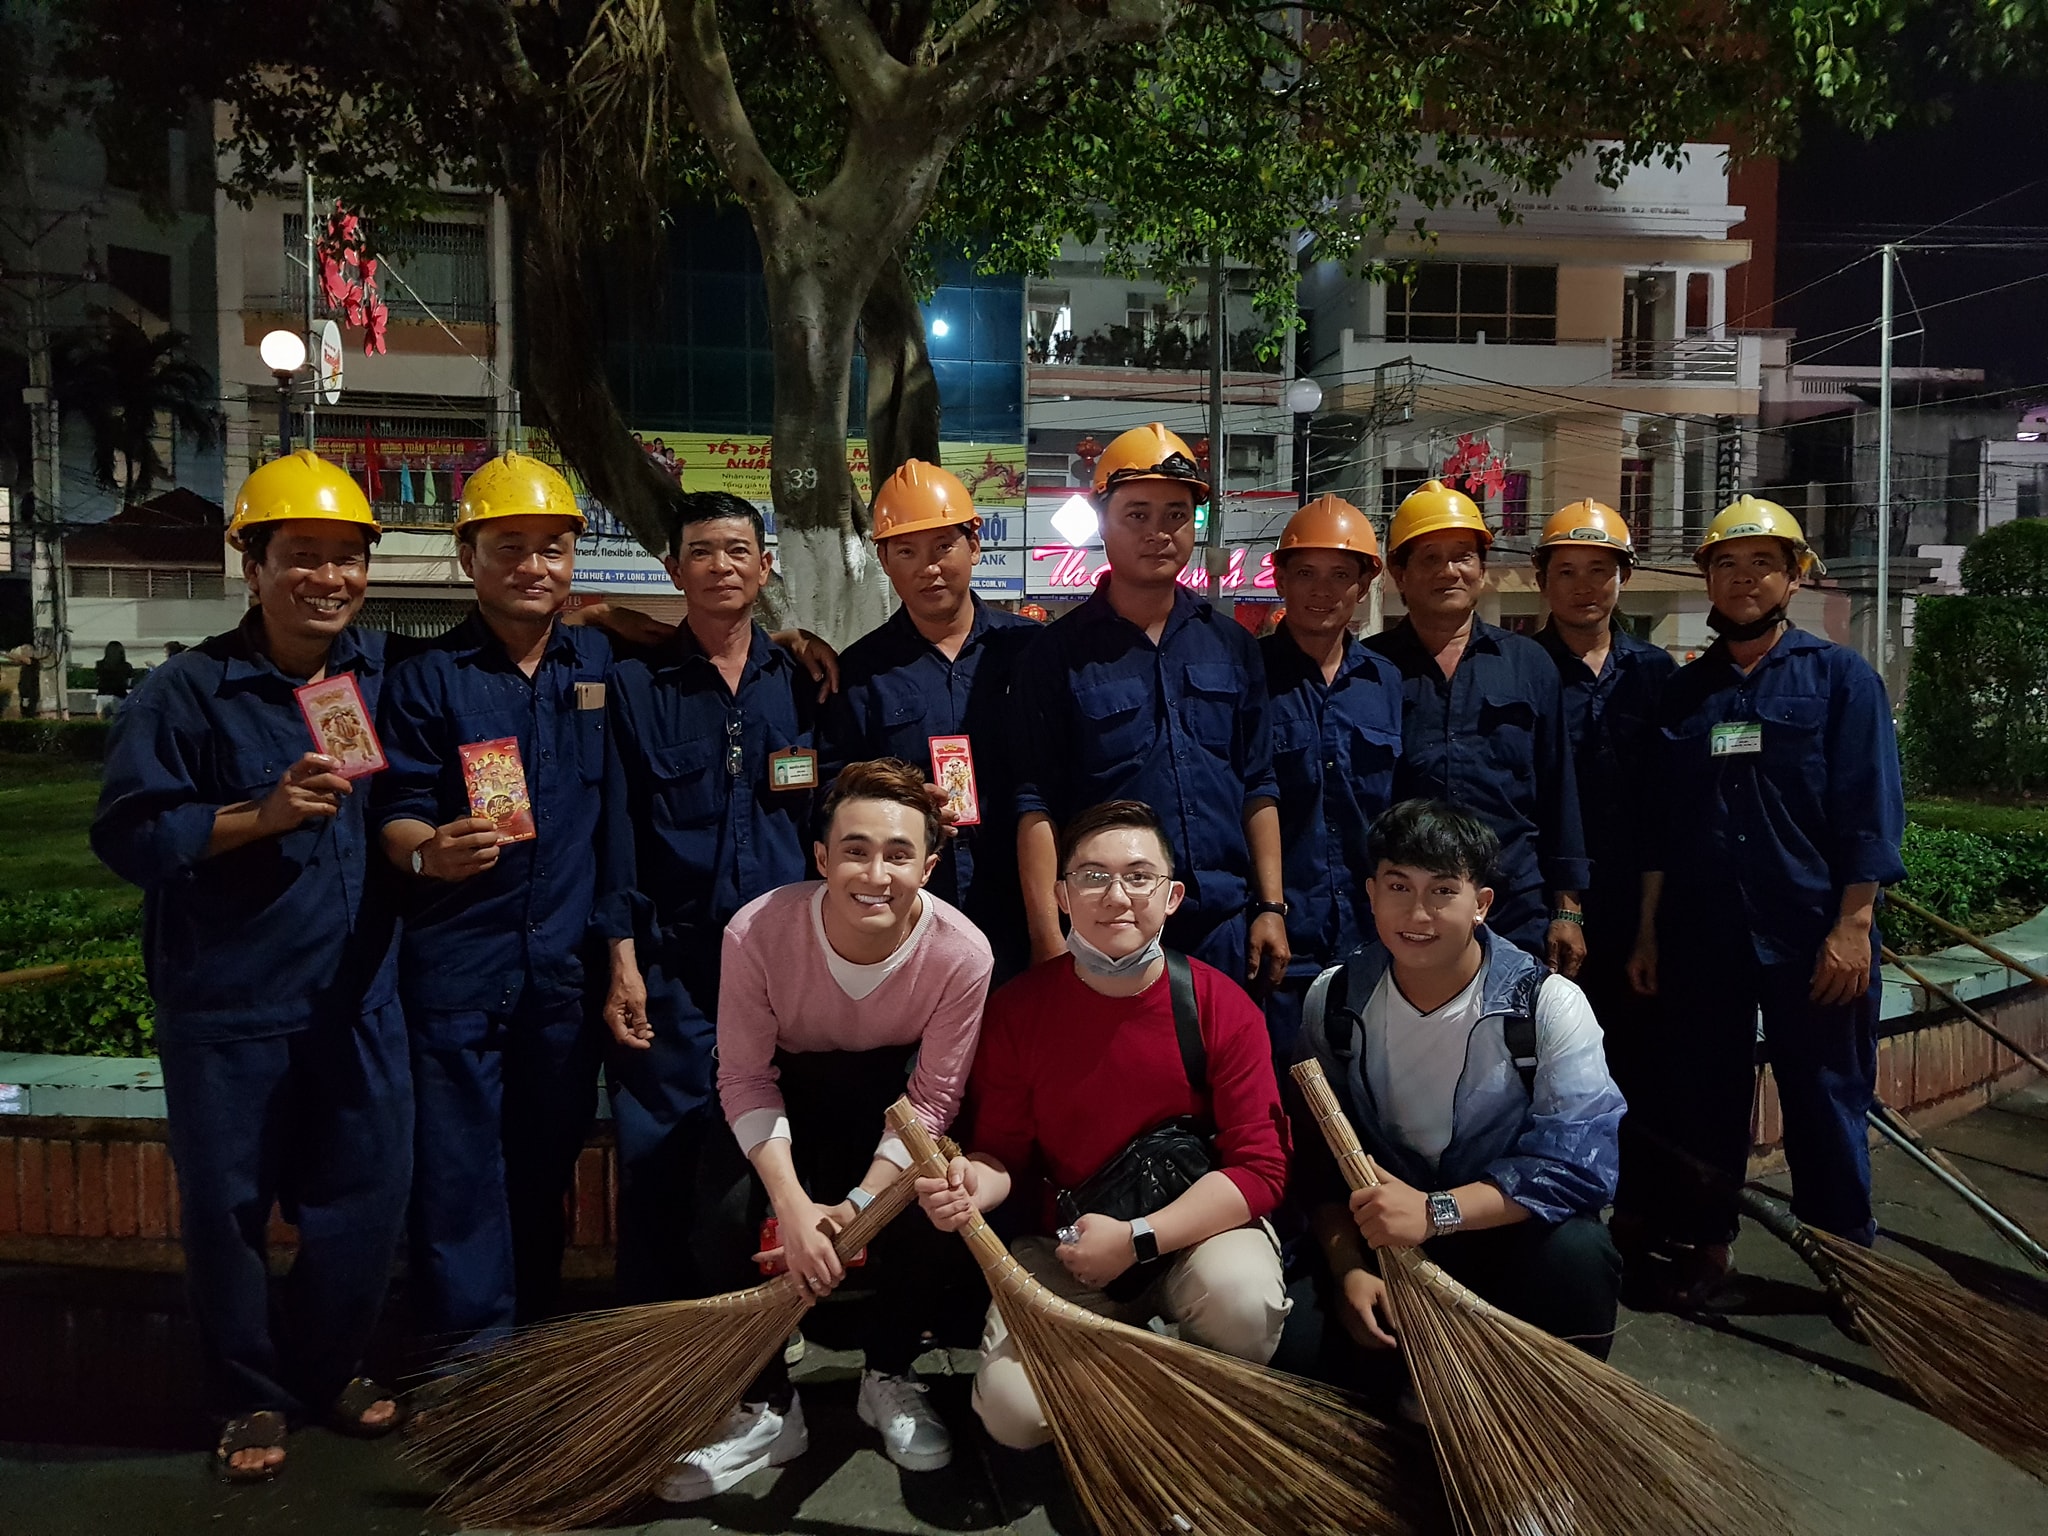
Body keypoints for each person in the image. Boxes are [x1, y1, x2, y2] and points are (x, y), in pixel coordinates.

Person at [90, 451, 409, 1481]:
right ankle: (247, 1395)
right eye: (303, 557)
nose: (329, 578)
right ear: (254, 567)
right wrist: (258, 817)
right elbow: (130, 837)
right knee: (228, 1214)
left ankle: (329, 1366)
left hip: (356, 999)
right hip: (230, 1002)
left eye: (347, 559)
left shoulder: (381, 673)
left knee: (365, 1200)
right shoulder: (186, 694)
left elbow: (511, 645)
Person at [917, 799, 1291, 1451]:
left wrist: (1139, 1238)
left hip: (1191, 1233)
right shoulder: (1018, 1012)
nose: (1117, 897)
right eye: (1093, 877)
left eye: (1139, 877)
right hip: (1066, 1243)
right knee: (1011, 1411)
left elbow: (1261, 1169)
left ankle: (1183, 1412)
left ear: (1172, 897)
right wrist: (970, 1185)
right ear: (1062, 895)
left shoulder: (1220, 1004)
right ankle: (1132, 1389)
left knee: (1241, 1298)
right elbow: (1001, 1154)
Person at [664, 759, 993, 1500]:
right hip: (783, 1093)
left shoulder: (963, 953)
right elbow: (744, 1078)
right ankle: (766, 1407)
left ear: (928, 868)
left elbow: (933, 1100)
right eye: (855, 850)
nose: (875, 874)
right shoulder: (757, 931)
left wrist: (860, 1205)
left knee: (934, 1203)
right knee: (721, 1217)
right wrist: (792, 1206)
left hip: (891, 1104)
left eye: (899, 854)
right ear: (821, 857)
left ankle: (889, 1374)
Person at [1621, 497, 1906, 1307]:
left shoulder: (1840, 679)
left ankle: (1850, 1269)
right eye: (1728, 565)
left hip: (1810, 935)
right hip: (1704, 938)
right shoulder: (1687, 693)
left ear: (1794, 576)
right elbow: (1662, 828)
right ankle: (1708, 1250)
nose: (1744, 579)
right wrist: (1648, 933)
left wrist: (1853, 926)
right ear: (1708, 578)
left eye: (1762, 565)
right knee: (1704, 1099)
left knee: (1826, 1098)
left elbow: (1870, 808)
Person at [370, 452, 610, 1359]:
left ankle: (532, 1350)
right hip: (459, 973)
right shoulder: (428, 677)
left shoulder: (599, 664)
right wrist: (427, 852)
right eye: (510, 547)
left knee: (543, 1170)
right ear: (468, 557)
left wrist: (788, 640)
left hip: (561, 981)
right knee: (458, 1176)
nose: (534, 566)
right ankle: (470, 1362)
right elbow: (394, 809)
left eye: (553, 548)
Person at [1293, 800, 1625, 1401]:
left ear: (1481, 904)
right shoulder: (1335, 1000)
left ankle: (1547, 1413)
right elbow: (1320, 1164)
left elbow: (1578, 1167)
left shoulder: (1547, 1005)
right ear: (1371, 894)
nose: (1417, 913)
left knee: (1579, 1256)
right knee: (1292, 1344)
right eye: (1398, 886)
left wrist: (1436, 1211)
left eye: (1443, 891)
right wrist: (1349, 1269)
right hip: (1387, 1243)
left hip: (1502, 1234)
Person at [597, 490, 822, 1315]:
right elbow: (617, 831)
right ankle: (661, 1338)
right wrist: (622, 960)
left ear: (765, 567)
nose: (721, 566)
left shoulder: (802, 682)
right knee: (660, 1152)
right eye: (701, 552)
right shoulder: (635, 686)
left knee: (770, 1155)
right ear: (673, 569)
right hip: (674, 966)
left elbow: (826, 819)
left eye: (737, 551)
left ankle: (761, 1334)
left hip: (781, 970)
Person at [1012, 423, 1288, 993]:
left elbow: (1258, 783)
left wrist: (1270, 906)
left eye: (1176, 515)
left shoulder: (1232, 645)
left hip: (1222, 923)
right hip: (1108, 922)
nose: (1158, 533)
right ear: (1102, 521)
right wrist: (1046, 935)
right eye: (1137, 514)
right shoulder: (1056, 654)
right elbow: (1035, 803)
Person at [821, 460, 1039, 979]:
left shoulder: (1032, 652)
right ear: (883, 560)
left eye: (943, 546)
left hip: (1025, 901)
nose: (928, 568)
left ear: (974, 545)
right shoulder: (860, 671)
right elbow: (832, 787)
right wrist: (897, 803)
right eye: (906, 552)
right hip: (908, 909)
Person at [1366, 479, 1589, 971]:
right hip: (1408, 908)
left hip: (1514, 902)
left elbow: (1560, 790)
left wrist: (1567, 909)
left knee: (1511, 1018)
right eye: (1429, 559)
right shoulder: (1370, 669)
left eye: (1463, 557)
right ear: (1400, 574)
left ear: (1482, 570)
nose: (1449, 571)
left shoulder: (1529, 664)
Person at [1528, 500, 1675, 1215]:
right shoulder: (1523, 668)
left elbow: (1664, 813)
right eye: (1567, 571)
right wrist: (1564, 905)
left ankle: (1640, 1225)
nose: (1585, 587)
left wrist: (1650, 928)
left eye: (1600, 570)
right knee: (1551, 1069)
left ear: (1624, 578)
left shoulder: (1657, 673)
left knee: (1643, 1072)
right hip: (1548, 905)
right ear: (1542, 581)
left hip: (1636, 904)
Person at [1260, 495, 1405, 1054]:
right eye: (1306, 573)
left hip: (1374, 939)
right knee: (1281, 1085)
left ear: (1364, 585)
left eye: (1341, 575)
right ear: (1280, 581)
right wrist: (1267, 910)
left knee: (1369, 1088)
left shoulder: (1386, 683)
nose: (1322, 590)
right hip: (1279, 942)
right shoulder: (1247, 676)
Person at [95, 640, 137, 717]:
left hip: (102, 696)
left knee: (103, 720)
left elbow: (97, 679)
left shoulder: (99, 664)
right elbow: (129, 683)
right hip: (119, 696)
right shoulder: (126, 666)